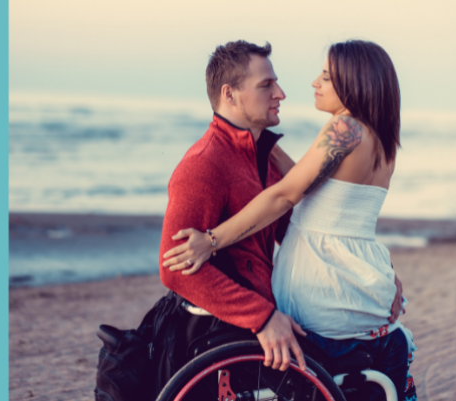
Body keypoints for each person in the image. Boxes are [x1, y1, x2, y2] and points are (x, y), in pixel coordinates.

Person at [162, 40, 416, 401]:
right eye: (267, 85)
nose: (313, 83)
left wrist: (212, 239)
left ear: (354, 82)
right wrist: (383, 272)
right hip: (359, 284)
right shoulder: (380, 139)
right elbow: (325, 203)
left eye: (327, 76)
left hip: (324, 294)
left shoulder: (344, 129)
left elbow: (286, 196)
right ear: (230, 94)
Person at [156, 40, 311, 375]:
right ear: (229, 94)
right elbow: (174, 269)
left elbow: (298, 234)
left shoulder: (263, 159)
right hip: (223, 334)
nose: (280, 93)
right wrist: (262, 317)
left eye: (276, 82)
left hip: (270, 311)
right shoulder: (203, 164)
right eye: (266, 85)